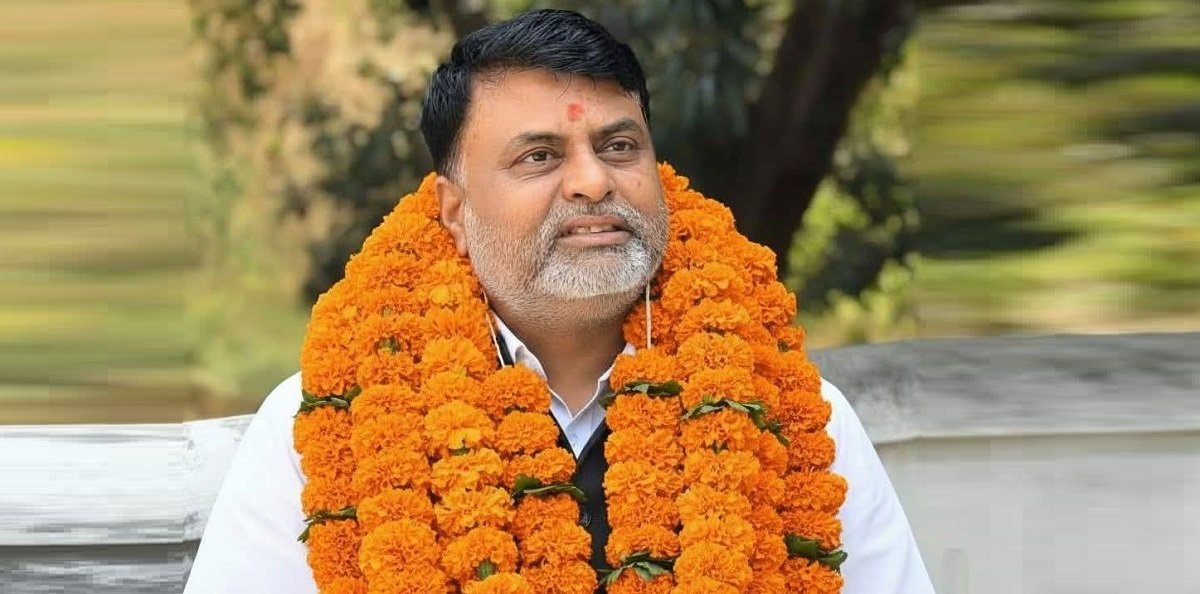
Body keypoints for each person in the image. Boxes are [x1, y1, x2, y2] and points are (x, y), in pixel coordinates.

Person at [184, 8, 934, 594]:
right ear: (454, 211)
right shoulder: (322, 422)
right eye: (539, 156)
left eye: (619, 147)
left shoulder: (794, 413)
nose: (593, 182)